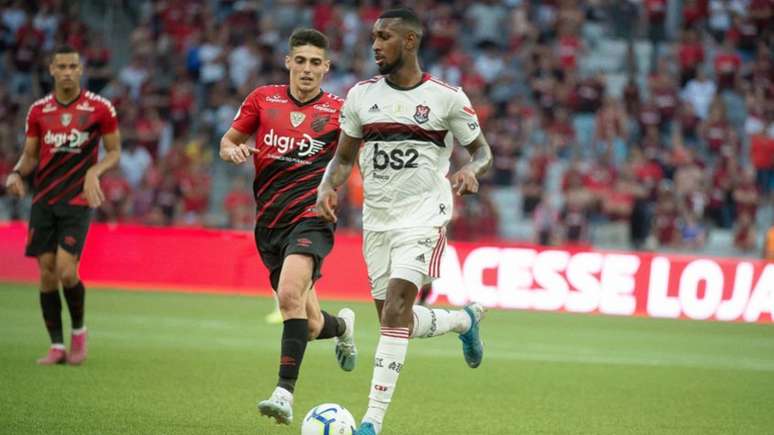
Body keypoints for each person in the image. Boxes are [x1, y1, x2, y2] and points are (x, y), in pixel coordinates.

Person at [315, 9, 493, 435]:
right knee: (398, 323)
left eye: (385, 36)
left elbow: (483, 151)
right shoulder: (360, 96)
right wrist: (327, 188)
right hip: (377, 223)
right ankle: (463, 321)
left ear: (409, 41)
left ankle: (370, 423)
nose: (375, 44)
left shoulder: (447, 98)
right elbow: (343, 159)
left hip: (423, 219)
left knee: (396, 309)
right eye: (374, 36)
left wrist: (471, 171)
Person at [218, 28, 357, 426]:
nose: (308, 69)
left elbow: (350, 160)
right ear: (288, 62)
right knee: (310, 324)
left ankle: (284, 393)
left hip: (312, 217)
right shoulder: (263, 99)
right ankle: (344, 325)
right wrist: (233, 151)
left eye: (316, 62)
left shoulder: (340, 111)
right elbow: (228, 141)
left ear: (327, 67)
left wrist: (334, 189)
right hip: (270, 223)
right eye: (301, 61)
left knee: (288, 295)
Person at [4, 45, 121, 365]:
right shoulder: (38, 111)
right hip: (44, 200)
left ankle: (79, 333)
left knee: (67, 272)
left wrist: (94, 172)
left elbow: (113, 152)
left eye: (73, 66)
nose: (68, 71)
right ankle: (56, 346)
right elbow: (29, 155)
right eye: (62, 67)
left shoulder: (100, 108)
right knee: (45, 274)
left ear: (81, 70)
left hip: (77, 201)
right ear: (52, 70)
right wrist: (16, 173)